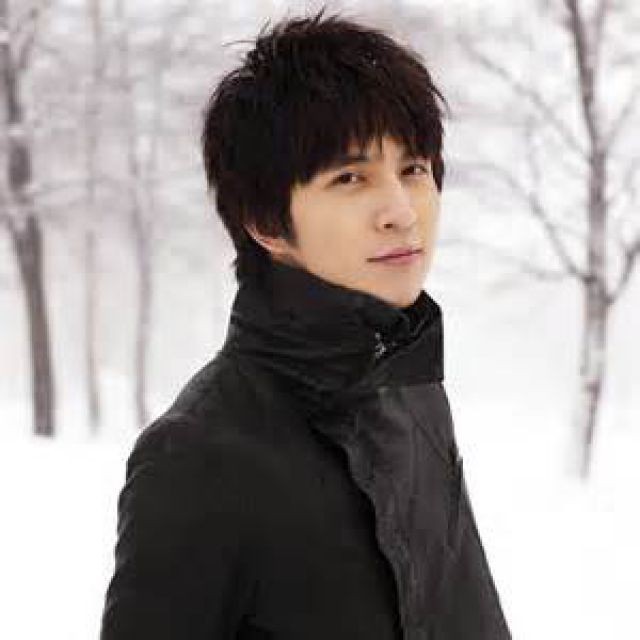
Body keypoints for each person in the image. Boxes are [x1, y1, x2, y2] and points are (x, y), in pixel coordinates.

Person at [100, 7, 512, 640]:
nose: (401, 212)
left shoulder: (414, 393)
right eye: (350, 177)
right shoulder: (198, 457)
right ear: (266, 223)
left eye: (413, 169)